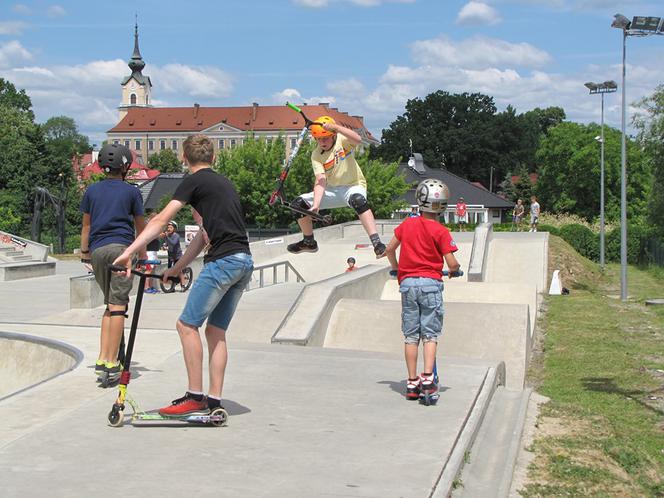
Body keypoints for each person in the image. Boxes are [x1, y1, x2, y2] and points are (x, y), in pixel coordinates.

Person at [113, 134, 253, 416]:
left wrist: (130, 251)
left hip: (223, 262)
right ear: (214, 158)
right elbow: (203, 235)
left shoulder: (193, 181)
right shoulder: (224, 183)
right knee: (216, 331)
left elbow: (161, 219)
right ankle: (214, 402)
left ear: (184, 159)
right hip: (243, 261)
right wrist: (176, 269)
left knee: (186, 326)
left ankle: (194, 396)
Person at [381, 178, 460, 401]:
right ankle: (428, 379)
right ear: (443, 205)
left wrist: (398, 269)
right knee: (430, 334)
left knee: (410, 336)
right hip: (430, 285)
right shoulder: (441, 231)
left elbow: (389, 249)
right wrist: (455, 270)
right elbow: (451, 261)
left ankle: (412, 383)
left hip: (407, 285)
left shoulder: (407, 224)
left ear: (419, 200)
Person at [79, 143, 147, 384]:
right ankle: (111, 362)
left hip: (97, 252)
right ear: (125, 167)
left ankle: (102, 357)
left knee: (109, 305)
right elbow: (141, 227)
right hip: (122, 251)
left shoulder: (92, 191)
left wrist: (85, 252)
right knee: (118, 306)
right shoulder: (131, 192)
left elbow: (86, 226)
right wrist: (145, 255)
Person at [286, 115, 386, 257]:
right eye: (319, 139)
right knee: (298, 204)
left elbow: (357, 139)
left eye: (325, 138)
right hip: (332, 191)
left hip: (353, 186)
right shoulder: (316, 155)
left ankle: (377, 244)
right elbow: (320, 180)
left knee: (358, 200)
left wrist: (337, 128)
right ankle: (308, 242)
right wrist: (315, 205)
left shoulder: (342, 140)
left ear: (333, 135)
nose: (322, 142)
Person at [144, 212, 161, 294]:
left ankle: (151, 286)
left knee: (153, 269)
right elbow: (148, 238)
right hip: (149, 251)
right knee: (148, 269)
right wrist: (158, 235)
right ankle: (146, 287)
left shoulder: (153, 227)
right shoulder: (148, 227)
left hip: (153, 251)